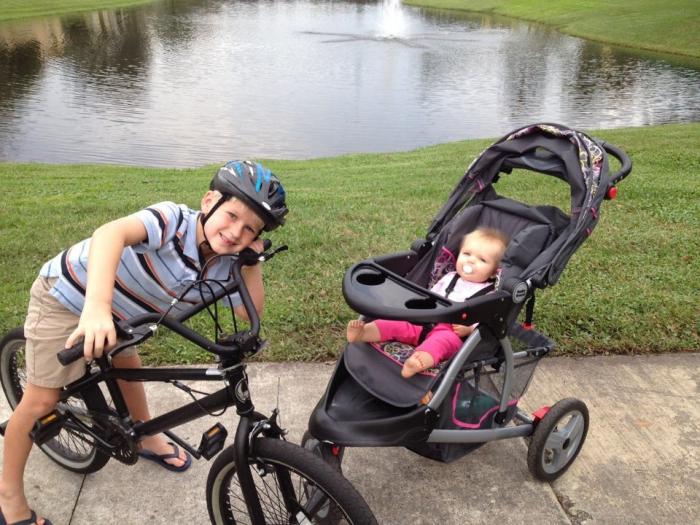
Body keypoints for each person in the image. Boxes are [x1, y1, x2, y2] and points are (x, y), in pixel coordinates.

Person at [0, 160, 288, 525]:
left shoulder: (225, 261)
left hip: (125, 316)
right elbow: (110, 234)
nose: (235, 233)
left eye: (250, 229)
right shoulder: (172, 221)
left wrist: (251, 262)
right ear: (208, 201)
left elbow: (250, 313)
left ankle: (145, 435)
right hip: (71, 297)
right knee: (41, 400)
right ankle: (7, 496)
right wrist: (97, 307)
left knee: (128, 366)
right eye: (231, 216)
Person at [347, 227, 508, 379]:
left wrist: (469, 329)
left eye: (482, 259)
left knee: (441, 343)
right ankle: (365, 332)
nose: (471, 261)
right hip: (427, 319)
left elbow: (486, 318)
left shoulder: (489, 293)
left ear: (493, 272)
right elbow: (431, 295)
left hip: (451, 331)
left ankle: (418, 360)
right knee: (398, 324)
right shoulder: (449, 277)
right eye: (467, 254)